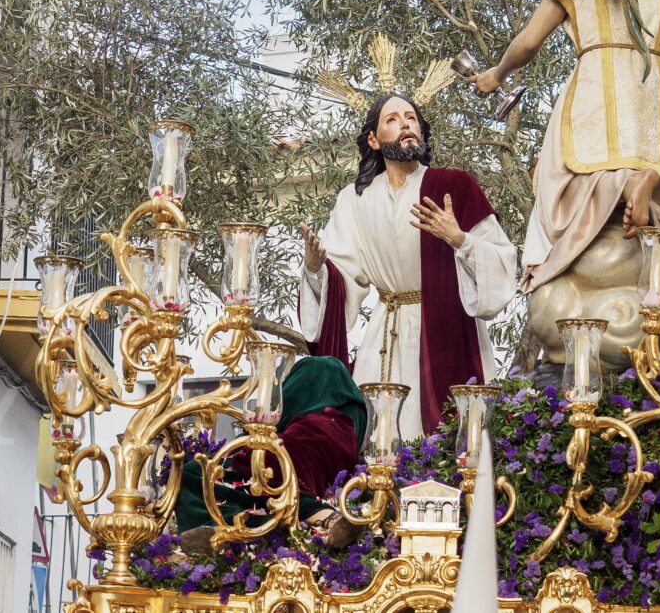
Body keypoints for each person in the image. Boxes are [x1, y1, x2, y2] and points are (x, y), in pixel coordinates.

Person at [469, 0, 660, 293]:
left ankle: (628, 185)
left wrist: (497, 74)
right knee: (659, 206)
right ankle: (639, 192)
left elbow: (529, 41)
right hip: (655, 101)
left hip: (599, 90)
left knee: (561, 180)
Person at [298, 93, 518, 439]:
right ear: (373, 140)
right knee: (375, 442)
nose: (405, 125)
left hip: (445, 339)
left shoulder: (454, 186)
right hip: (384, 336)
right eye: (392, 119)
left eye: (411, 117)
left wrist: (460, 240)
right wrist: (316, 270)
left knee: (447, 444)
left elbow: (503, 261)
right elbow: (341, 277)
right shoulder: (354, 200)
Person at [175, 356, 368, 549]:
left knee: (195, 472)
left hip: (281, 457)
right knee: (282, 489)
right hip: (328, 474)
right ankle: (327, 519)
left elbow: (274, 416)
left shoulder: (319, 370)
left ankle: (226, 526)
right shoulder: (353, 417)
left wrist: (246, 436)